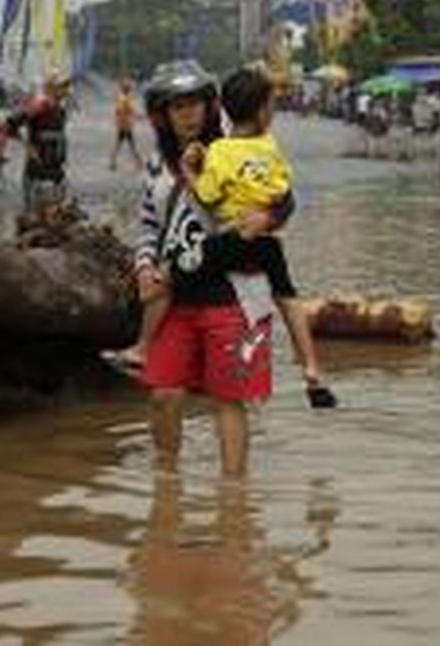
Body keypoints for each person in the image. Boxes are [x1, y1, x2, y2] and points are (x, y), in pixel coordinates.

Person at [132, 60, 331, 480]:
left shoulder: (240, 144)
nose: (187, 114)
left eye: (194, 105)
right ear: (162, 115)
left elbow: (285, 195)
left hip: (235, 294)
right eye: (176, 107)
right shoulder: (155, 165)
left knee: (228, 400)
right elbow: (149, 224)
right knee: (163, 395)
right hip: (177, 294)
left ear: (210, 106)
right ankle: (167, 486)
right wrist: (144, 265)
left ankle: (234, 498)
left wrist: (272, 217)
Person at [178, 65, 328, 402]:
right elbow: (282, 191)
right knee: (289, 299)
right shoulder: (270, 146)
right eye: (272, 106)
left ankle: (163, 352)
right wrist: (266, 211)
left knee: (182, 278)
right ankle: (311, 368)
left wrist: (189, 170)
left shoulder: (219, 150)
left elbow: (208, 197)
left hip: (231, 240)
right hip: (267, 244)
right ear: (262, 111)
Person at [8, 71, 72, 213]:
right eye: (62, 86)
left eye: (66, 86)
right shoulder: (39, 106)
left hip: (56, 170)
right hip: (37, 170)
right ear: (51, 87)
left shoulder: (61, 109)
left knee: (57, 214)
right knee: (34, 213)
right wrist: (27, 145)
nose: (66, 90)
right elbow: (11, 124)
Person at [110, 76, 142, 171]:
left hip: (123, 125)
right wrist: (138, 117)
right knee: (131, 145)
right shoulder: (125, 99)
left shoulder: (122, 98)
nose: (130, 90)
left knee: (120, 144)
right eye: (129, 88)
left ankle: (113, 163)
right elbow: (128, 111)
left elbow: (123, 111)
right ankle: (138, 162)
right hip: (125, 126)